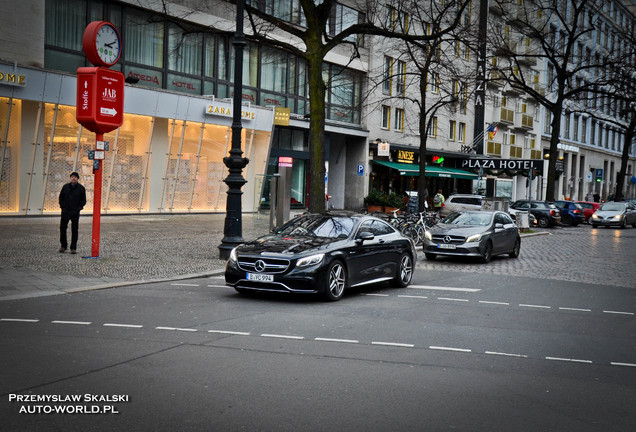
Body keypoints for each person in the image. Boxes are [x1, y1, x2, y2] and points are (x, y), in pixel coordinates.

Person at [59, 172, 87, 254]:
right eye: (72, 177)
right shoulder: (65, 187)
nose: (74, 178)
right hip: (65, 211)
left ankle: (73, 247)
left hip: (75, 212)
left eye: (75, 177)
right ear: (70, 178)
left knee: (74, 230)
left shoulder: (81, 188)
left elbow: (83, 200)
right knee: (63, 229)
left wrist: (79, 208)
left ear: (78, 178)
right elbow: (61, 197)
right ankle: (63, 246)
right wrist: (63, 207)